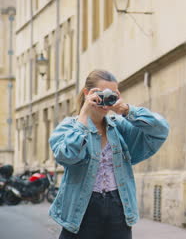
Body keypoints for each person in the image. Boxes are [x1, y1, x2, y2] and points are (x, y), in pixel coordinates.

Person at [49, 70, 170, 239]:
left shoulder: (120, 127)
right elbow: (67, 156)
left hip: (118, 207)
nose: (105, 101)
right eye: (101, 94)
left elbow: (161, 130)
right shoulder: (70, 127)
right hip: (82, 208)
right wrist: (84, 114)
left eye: (111, 94)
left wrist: (127, 110)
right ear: (87, 93)